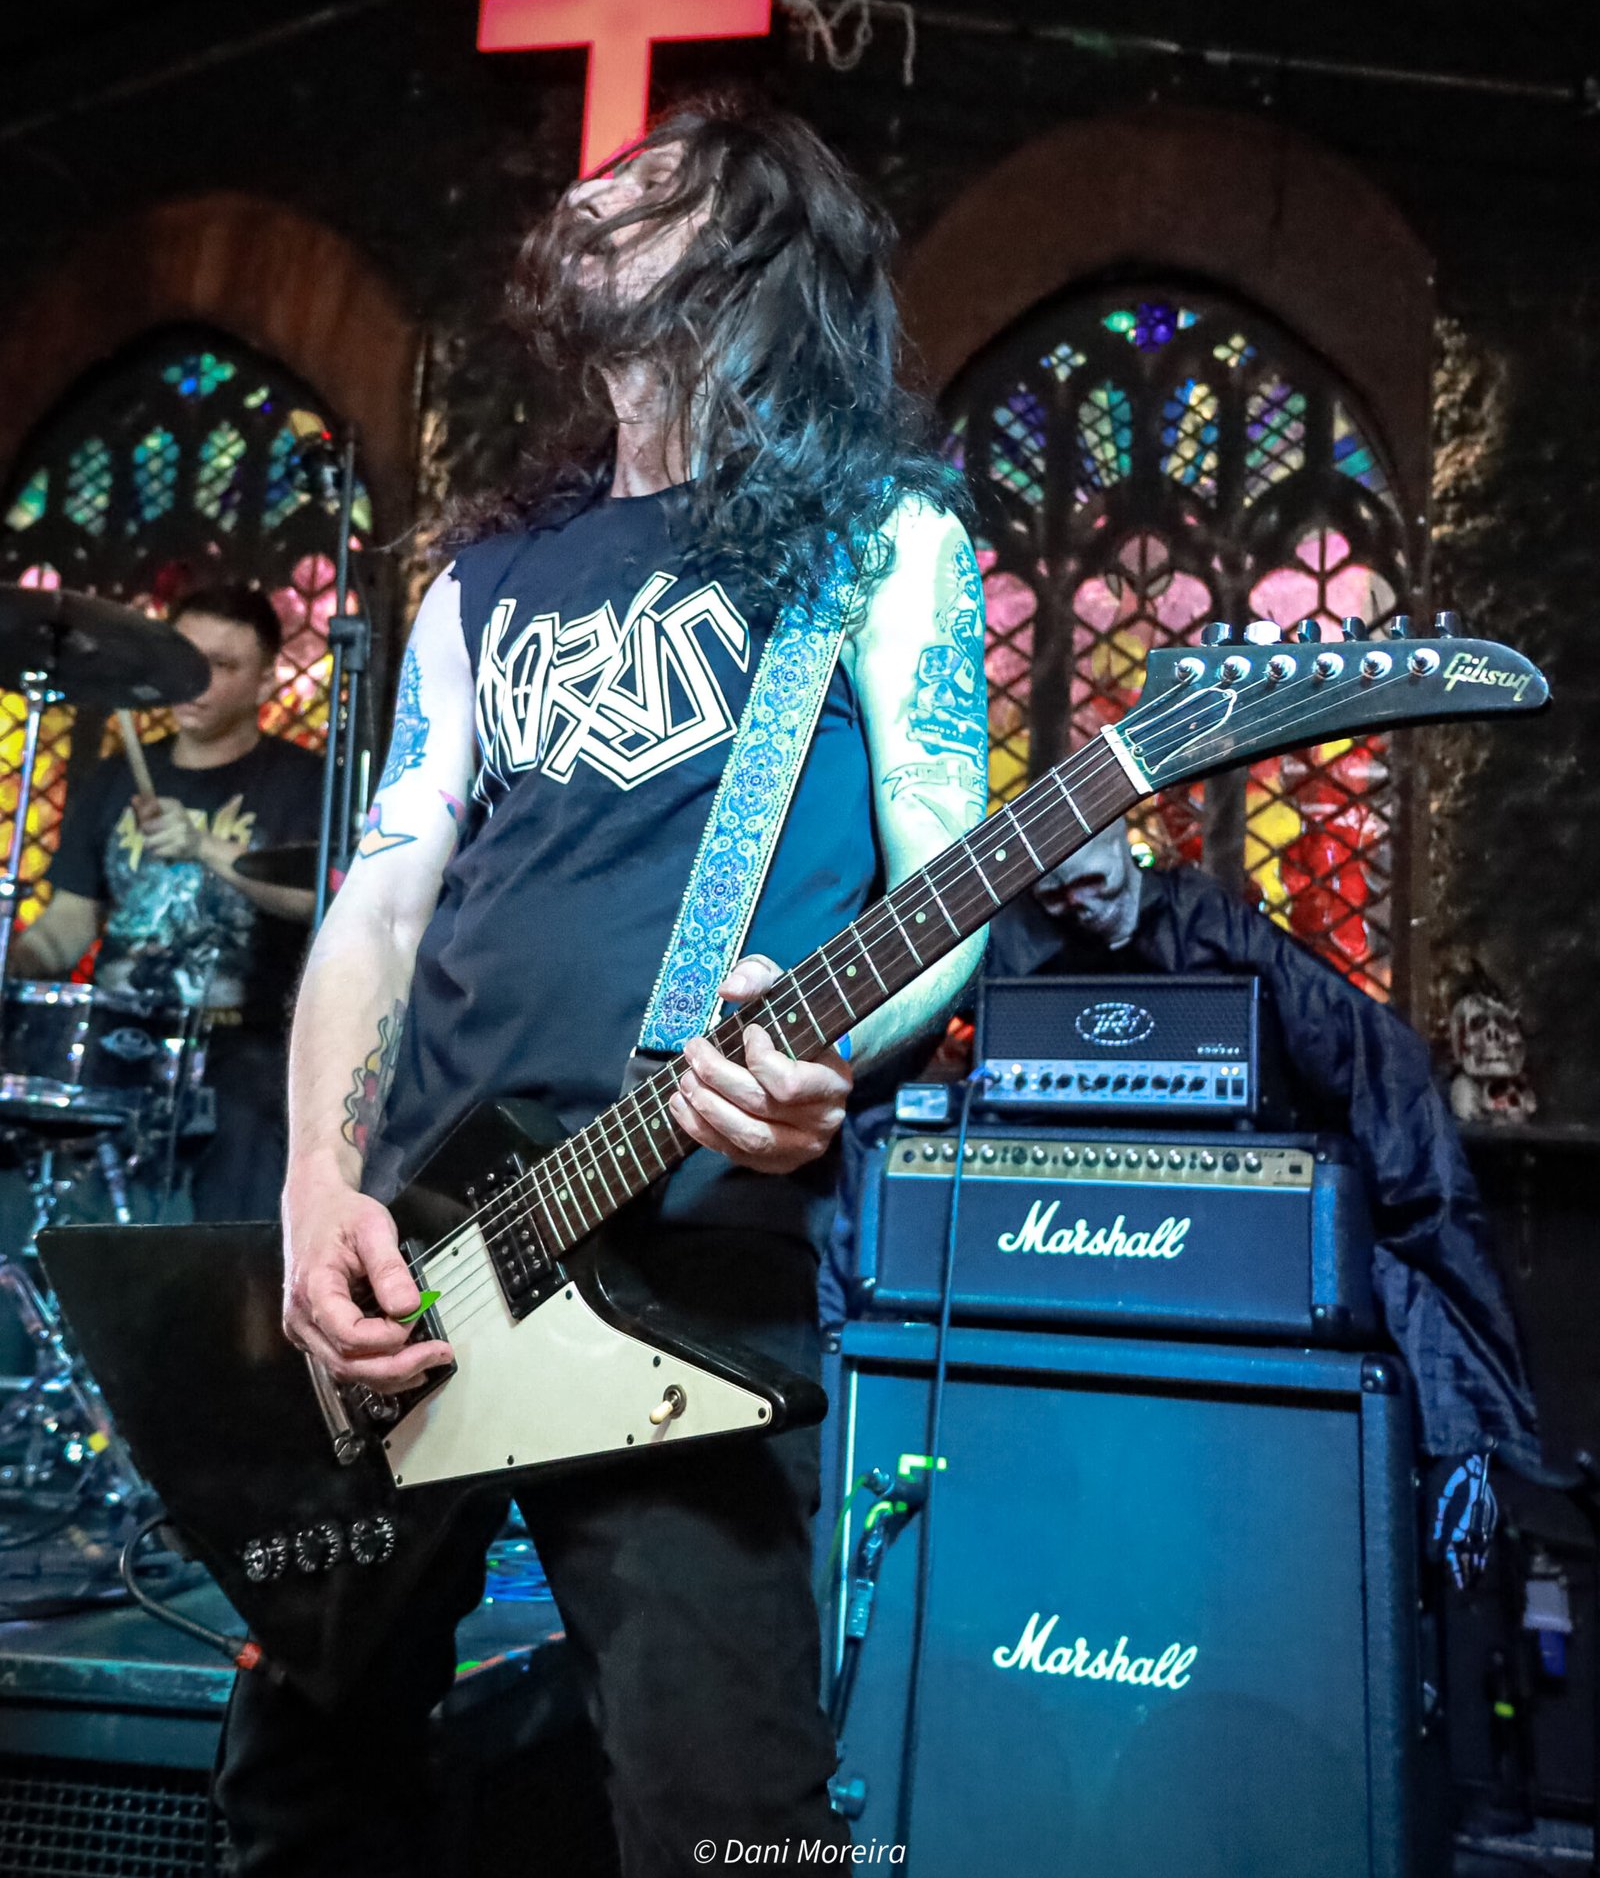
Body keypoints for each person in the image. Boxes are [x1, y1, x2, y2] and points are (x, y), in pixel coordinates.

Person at [215, 98, 987, 1877]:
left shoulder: (880, 537)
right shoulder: (486, 576)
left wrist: (830, 1043)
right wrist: (319, 1186)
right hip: (415, 1252)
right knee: (303, 1784)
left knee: (732, 1823)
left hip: (685, 1265)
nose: (590, 192)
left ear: (759, 246)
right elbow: (384, 893)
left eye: (650, 184)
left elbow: (947, 878)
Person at [981, 817, 1542, 1477]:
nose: (1079, 904)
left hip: (1222, 1214)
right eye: (1056, 895)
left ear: (1123, 844)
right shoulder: (1021, 938)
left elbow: (1356, 1043)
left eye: (1092, 882)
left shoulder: (1203, 918)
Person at [15, 581, 321, 1223]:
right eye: (186, 659)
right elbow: (70, 923)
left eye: (223, 665)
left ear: (266, 681)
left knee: (247, 1148)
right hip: (114, 1040)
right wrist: (16, 963)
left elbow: (318, 898)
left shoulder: (305, 783)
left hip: (238, 1046)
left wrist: (202, 845)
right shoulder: (112, 778)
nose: (197, 680)